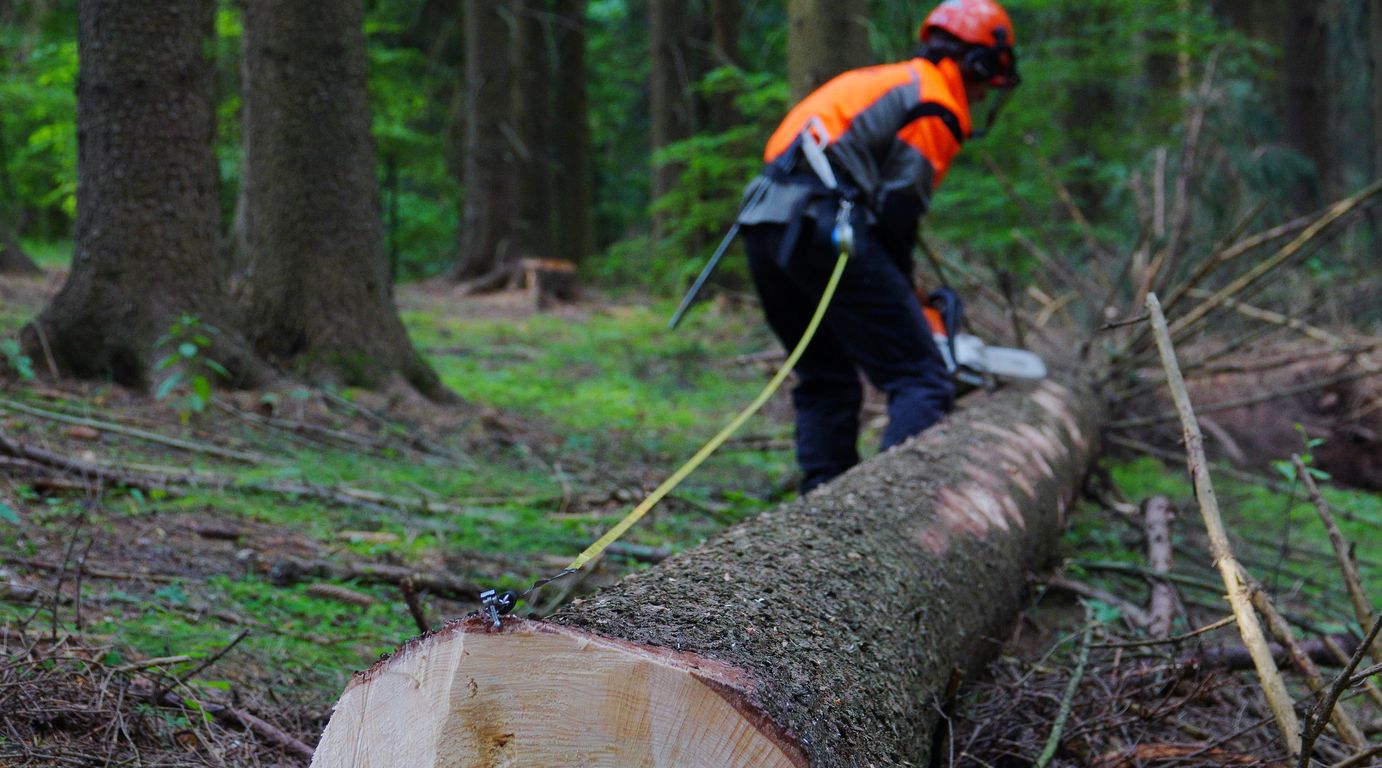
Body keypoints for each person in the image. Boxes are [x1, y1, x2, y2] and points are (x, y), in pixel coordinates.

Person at [737, 0, 1021, 493]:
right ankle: (895, 511)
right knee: (922, 378)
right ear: (976, 65)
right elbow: (899, 210)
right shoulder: (936, 102)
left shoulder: (886, 81)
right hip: (822, 224)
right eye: (982, 84)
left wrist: (901, 290)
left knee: (826, 376)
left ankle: (823, 504)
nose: (978, 97)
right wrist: (907, 296)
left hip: (762, 222)